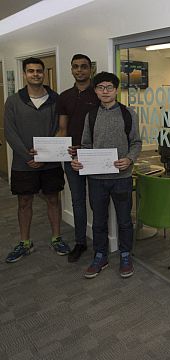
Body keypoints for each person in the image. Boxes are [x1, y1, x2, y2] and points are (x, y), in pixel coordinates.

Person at [71, 72, 141, 279]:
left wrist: (129, 159)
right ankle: (100, 255)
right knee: (99, 221)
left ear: (116, 89)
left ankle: (125, 254)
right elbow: (85, 146)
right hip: (97, 180)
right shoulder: (91, 115)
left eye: (109, 87)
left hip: (122, 178)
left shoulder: (128, 113)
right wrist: (79, 161)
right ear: (95, 91)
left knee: (125, 220)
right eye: (100, 87)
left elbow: (136, 142)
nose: (105, 91)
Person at [4, 57, 70, 263]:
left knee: (53, 199)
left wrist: (45, 155)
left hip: (50, 163)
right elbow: (10, 132)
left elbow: (60, 129)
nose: (35, 74)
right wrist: (27, 155)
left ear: (43, 73)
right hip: (23, 164)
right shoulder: (13, 101)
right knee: (24, 202)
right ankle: (25, 243)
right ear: (25, 74)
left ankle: (56, 238)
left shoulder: (55, 99)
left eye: (39, 71)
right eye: (31, 71)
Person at [56, 54, 100, 262]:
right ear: (71, 69)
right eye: (76, 67)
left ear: (90, 69)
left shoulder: (99, 93)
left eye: (84, 67)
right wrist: (54, 149)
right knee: (77, 201)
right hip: (71, 158)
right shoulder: (64, 97)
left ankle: (101, 244)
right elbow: (62, 129)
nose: (80, 70)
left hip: (94, 157)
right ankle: (80, 242)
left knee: (97, 201)